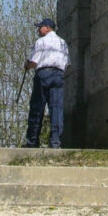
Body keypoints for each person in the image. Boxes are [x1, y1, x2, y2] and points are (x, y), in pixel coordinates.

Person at [24, 18, 70, 148]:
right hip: (58, 75)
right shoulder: (62, 43)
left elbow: (33, 62)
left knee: (37, 107)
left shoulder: (41, 42)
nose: (38, 30)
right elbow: (68, 64)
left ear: (47, 28)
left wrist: (27, 65)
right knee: (56, 109)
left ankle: (33, 141)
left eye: (40, 27)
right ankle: (55, 142)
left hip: (43, 74)